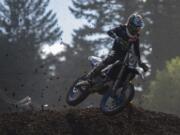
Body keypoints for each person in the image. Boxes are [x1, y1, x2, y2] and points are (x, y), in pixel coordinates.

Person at [86, 13, 149, 84]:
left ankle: (116, 82)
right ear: (131, 24)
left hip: (124, 56)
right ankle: (91, 75)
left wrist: (140, 63)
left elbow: (137, 51)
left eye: (139, 27)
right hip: (115, 51)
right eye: (137, 27)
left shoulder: (136, 37)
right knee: (110, 59)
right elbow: (109, 32)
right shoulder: (121, 28)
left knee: (128, 67)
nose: (138, 29)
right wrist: (117, 38)